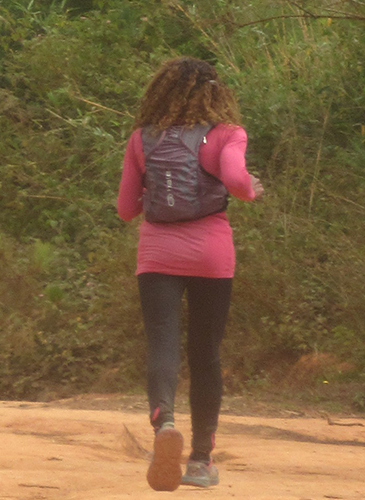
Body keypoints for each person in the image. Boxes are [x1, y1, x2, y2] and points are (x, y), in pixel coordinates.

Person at [116, 56, 263, 491]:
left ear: (160, 90)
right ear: (215, 92)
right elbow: (237, 181)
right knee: (206, 353)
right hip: (211, 255)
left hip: (157, 252)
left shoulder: (142, 139)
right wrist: (252, 188)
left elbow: (126, 209)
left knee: (162, 340)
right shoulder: (227, 134)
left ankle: (164, 425)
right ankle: (200, 460)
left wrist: (154, 195)